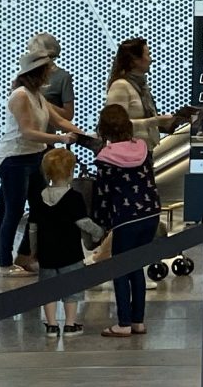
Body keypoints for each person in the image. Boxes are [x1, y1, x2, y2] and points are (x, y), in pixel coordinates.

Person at [0, 54, 63, 272]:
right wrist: (60, 138)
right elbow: (28, 132)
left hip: (33, 158)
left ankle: (25, 256)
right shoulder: (20, 96)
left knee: (40, 208)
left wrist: (83, 135)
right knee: (14, 211)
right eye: (48, 69)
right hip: (15, 160)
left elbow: (59, 120)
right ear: (38, 72)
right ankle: (4, 262)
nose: (51, 72)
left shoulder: (38, 96)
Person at [92, 103, 161, 336]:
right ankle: (138, 321)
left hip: (125, 217)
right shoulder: (141, 148)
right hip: (151, 212)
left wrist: (99, 224)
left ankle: (123, 323)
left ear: (104, 129)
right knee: (137, 267)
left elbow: (102, 194)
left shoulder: (106, 157)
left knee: (120, 268)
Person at [32, 148, 91, 336]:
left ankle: (51, 324)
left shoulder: (38, 198)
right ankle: (70, 324)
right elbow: (84, 223)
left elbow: (33, 228)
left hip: (46, 253)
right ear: (71, 172)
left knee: (47, 290)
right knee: (72, 289)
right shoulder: (74, 197)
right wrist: (99, 232)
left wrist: (34, 251)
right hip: (71, 253)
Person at [106, 38, 192, 142]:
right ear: (135, 60)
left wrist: (174, 121)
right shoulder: (120, 86)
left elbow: (147, 123)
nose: (151, 60)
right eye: (148, 55)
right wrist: (155, 121)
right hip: (129, 155)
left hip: (146, 152)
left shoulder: (142, 88)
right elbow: (114, 126)